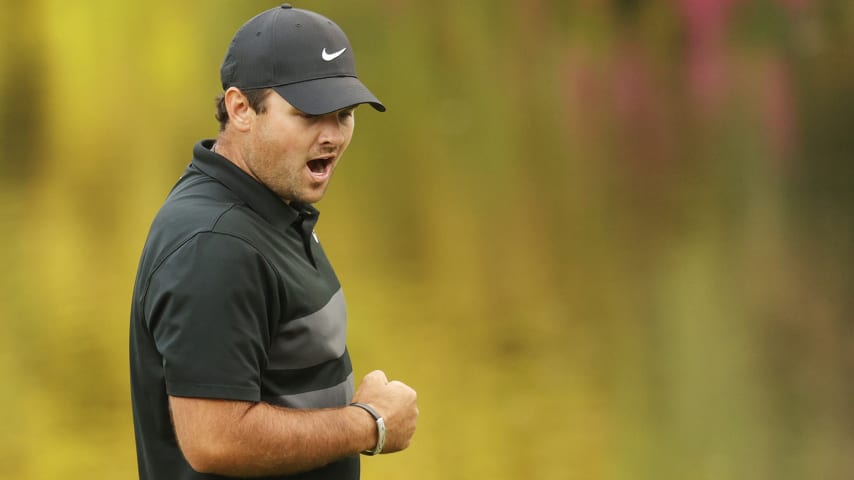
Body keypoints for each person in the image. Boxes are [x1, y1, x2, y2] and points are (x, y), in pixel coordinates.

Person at [129, 5, 418, 479]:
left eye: (344, 114)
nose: (332, 136)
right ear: (241, 108)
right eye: (308, 115)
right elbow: (215, 439)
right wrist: (371, 425)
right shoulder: (215, 244)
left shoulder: (270, 203)